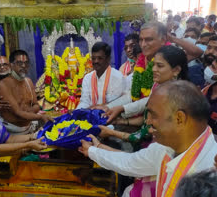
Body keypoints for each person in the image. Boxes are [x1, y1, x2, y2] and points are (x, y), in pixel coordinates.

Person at [79, 80, 217, 197]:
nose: (148, 121)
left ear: (179, 118)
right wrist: (94, 150)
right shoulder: (168, 145)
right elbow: (131, 162)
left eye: (153, 115)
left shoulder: (210, 172)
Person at [101, 45, 188, 145]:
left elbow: (144, 134)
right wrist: (120, 121)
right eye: (153, 65)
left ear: (176, 70)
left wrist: (112, 133)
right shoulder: (157, 85)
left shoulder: (174, 99)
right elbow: (146, 119)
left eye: (159, 66)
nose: (153, 69)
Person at [0, 50, 53, 134]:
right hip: (11, 131)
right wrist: (39, 116)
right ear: (11, 65)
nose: (23, 66)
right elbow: (18, 113)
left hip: (29, 127)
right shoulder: (4, 84)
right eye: (19, 63)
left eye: (26, 63)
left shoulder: (28, 81)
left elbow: (36, 105)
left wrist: (26, 113)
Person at [76, 42, 125, 109]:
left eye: (100, 58)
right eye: (93, 58)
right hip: (90, 116)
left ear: (108, 59)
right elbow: (84, 102)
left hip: (111, 116)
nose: (96, 61)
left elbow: (116, 103)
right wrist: (77, 112)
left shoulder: (117, 77)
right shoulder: (87, 78)